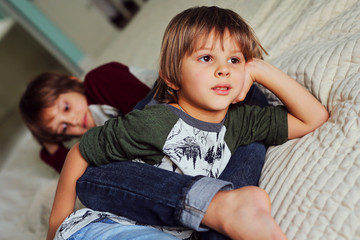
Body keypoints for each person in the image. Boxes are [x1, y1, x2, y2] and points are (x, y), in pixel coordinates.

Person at [48, 6, 329, 240]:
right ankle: (221, 205)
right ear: (171, 78)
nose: (223, 69)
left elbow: (313, 118)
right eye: (206, 58)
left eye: (234, 60)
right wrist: (55, 228)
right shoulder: (156, 121)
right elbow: (81, 151)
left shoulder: (242, 122)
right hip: (111, 226)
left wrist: (260, 69)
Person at [19, 61, 151, 173]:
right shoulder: (94, 135)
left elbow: (147, 114)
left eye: (66, 108)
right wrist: (47, 139)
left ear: (74, 83)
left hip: (163, 104)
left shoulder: (97, 80)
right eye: (64, 127)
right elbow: (74, 170)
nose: (73, 121)